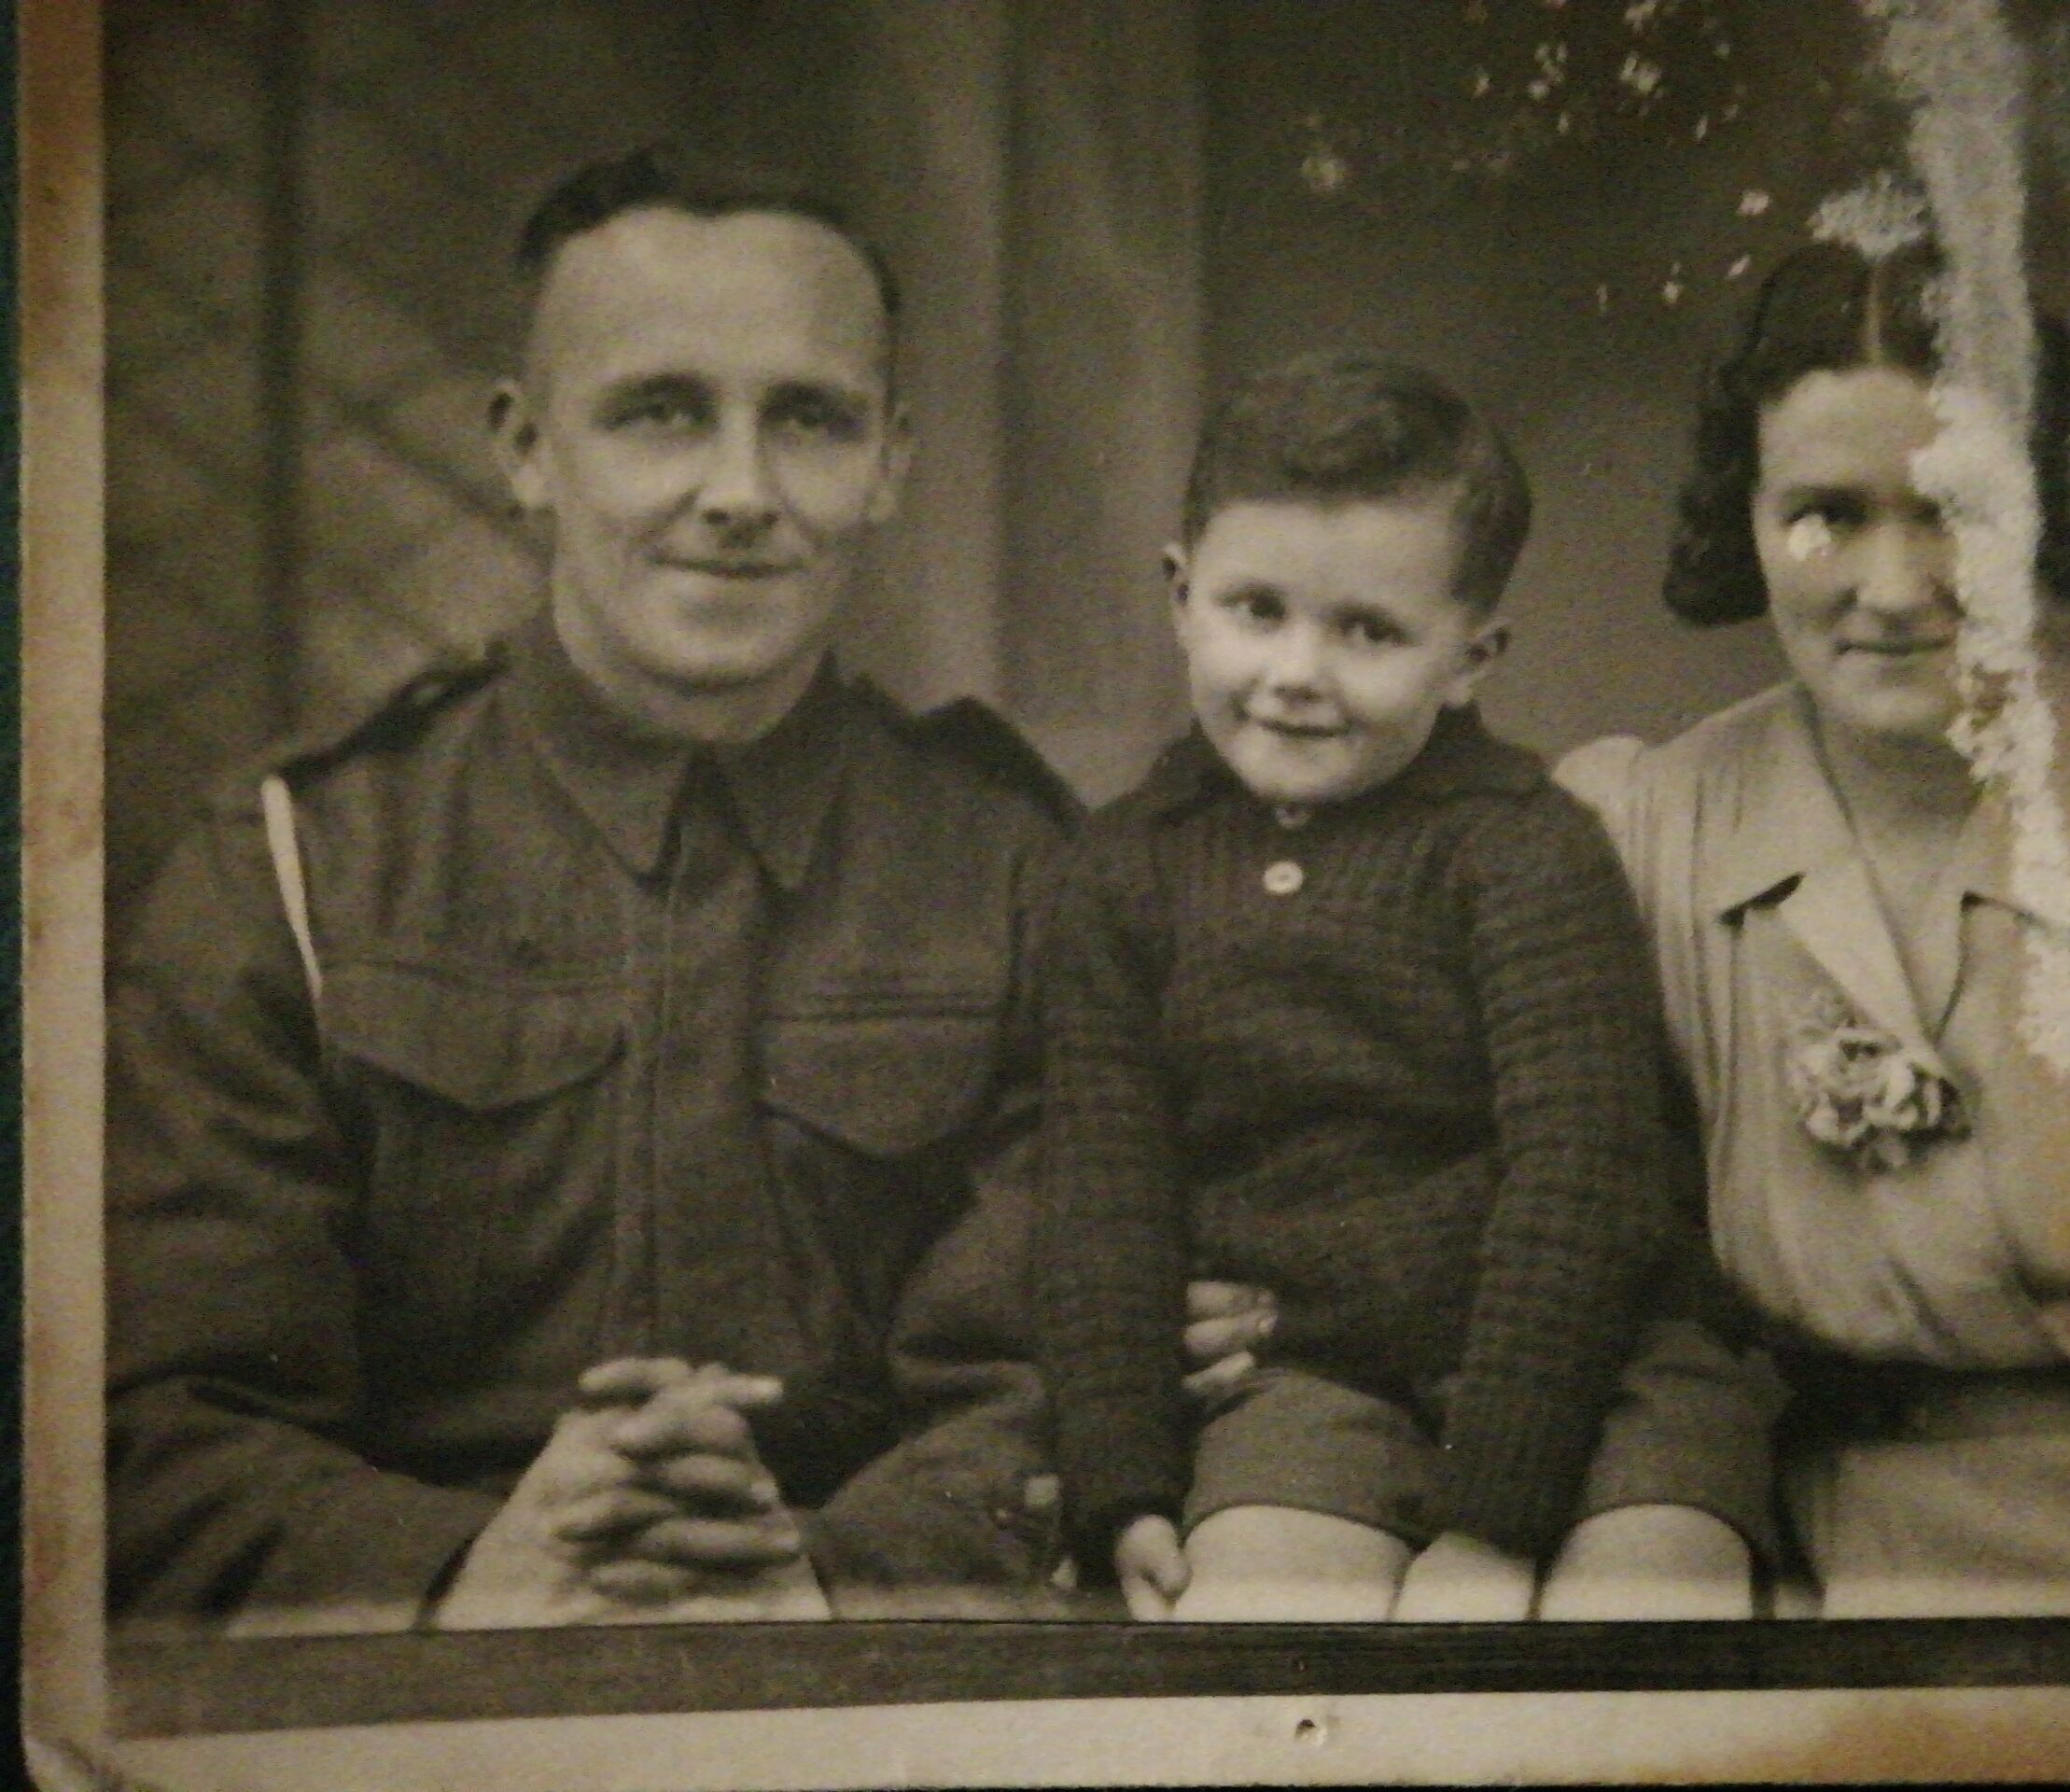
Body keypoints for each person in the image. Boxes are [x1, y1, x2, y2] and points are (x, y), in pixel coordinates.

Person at [105, 147, 1081, 1632]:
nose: (740, 494)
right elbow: (159, 1414)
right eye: (660, 412)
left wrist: (832, 1579)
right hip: (412, 1684)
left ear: (890, 462)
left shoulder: (1018, 867)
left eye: (809, 419)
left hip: (877, 1668)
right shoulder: (293, 863)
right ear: (526, 450)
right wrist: (456, 1574)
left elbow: (1065, 1369)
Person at [1551, 239, 2070, 1616]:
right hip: (1775, 1595)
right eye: (1825, 516)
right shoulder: (1641, 834)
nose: (1893, 588)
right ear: (1745, 518)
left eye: (1960, 512)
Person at [1034, 351, 1784, 1623]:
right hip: (1315, 1374)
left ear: (1471, 657)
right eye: (1257, 610)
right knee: (1257, 1623)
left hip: (1600, 1358)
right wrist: (1123, 1486)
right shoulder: (1122, 870)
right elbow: (1104, 1194)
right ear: (1180, 596)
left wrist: (1492, 1526)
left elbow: (1584, 1184)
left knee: (1652, 1605)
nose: (1297, 671)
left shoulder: (1521, 849)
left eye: (1369, 631)